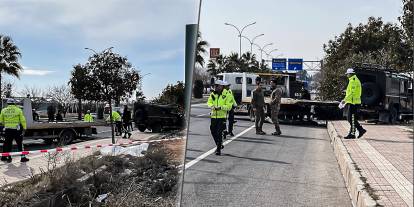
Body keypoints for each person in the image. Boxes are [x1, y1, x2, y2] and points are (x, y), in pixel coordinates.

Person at [207, 80, 232, 155]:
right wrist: (212, 106)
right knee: (212, 131)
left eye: (217, 86)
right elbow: (209, 102)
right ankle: (219, 144)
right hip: (214, 116)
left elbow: (229, 106)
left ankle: (218, 149)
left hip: (222, 117)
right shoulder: (212, 94)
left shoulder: (227, 95)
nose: (215, 87)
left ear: (221, 86)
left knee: (219, 132)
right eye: (215, 86)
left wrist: (221, 107)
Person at [341, 68, 367, 139]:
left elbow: (352, 93)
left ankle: (353, 134)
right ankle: (360, 130)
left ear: (350, 74)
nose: (347, 75)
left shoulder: (353, 81)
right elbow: (351, 92)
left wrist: (344, 100)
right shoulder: (353, 80)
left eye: (347, 74)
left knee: (351, 118)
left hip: (354, 103)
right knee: (351, 118)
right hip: (352, 102)